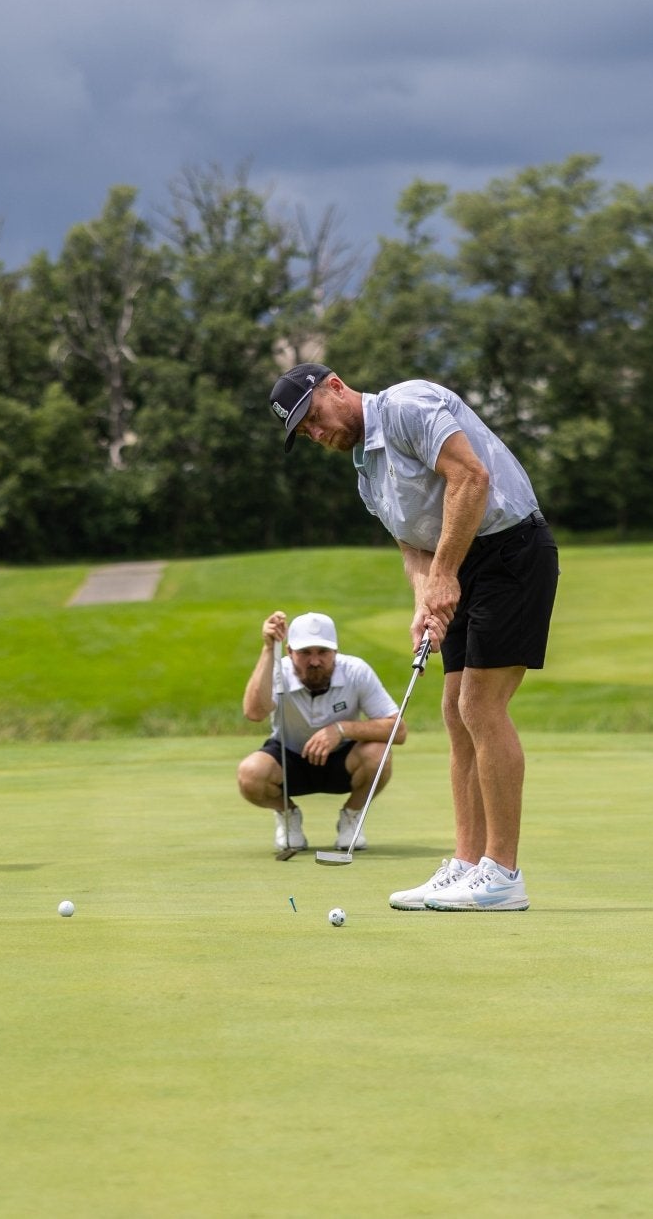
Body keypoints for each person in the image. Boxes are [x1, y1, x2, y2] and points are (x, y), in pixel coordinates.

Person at [268, 364, 558, 911]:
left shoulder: (407, 406)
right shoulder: (366, 476)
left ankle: (503, 872)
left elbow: (470, 478)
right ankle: (467, 864)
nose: (316, 433)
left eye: (313, 418)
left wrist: (446, 574)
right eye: (304, 433)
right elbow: (415, 551)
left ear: (334, 386)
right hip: (463, 564)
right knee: (454, 709)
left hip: (512, 551)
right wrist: (425, 604)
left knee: (480, 704)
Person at [237, 610, 405, 855]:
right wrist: (267, 649)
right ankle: (287, 815)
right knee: (250, 773)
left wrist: (341, 729)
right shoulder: (277, 671)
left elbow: (398, 731)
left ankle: (351, 816)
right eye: (305, 653)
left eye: (323, 652)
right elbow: (253, 713)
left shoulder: (355, 671)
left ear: (335, 652)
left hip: (342, 761)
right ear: (289, 651)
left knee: (380, 754)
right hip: (289, 759)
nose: (314, 661)